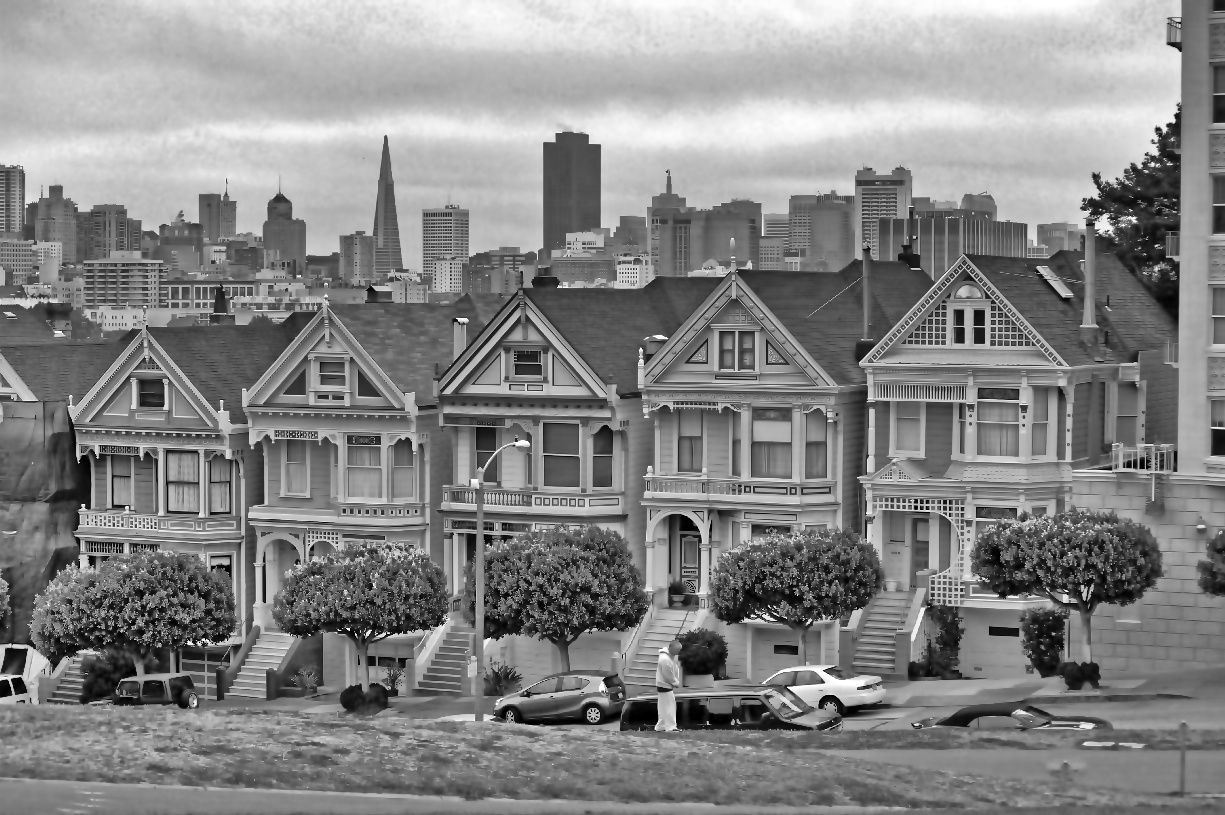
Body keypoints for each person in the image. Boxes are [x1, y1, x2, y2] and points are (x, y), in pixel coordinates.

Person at [654, 639, 682, 731]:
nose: (679, 652)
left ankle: (660, 726)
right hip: (665, 685)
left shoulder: (668, 657)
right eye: (678, 650)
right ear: (671, 648)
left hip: (663, 685)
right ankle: (671, 727)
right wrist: (676, 683)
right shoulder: (665, 660)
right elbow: (668, 675)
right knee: (670, 706)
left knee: (663, 707)